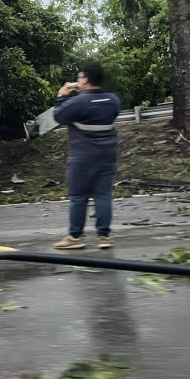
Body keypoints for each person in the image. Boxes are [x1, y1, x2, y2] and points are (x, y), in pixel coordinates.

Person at [52, 62, 121, 250]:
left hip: (82, 157)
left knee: (78, 197)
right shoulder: (113, 100)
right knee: (103, 196)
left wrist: (62, 95)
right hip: (107, 156)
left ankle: (75, 237)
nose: (78, 81)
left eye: (80, 78)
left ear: (87, 79)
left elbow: (58, 116)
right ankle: (104, 237)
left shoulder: (78, 102)